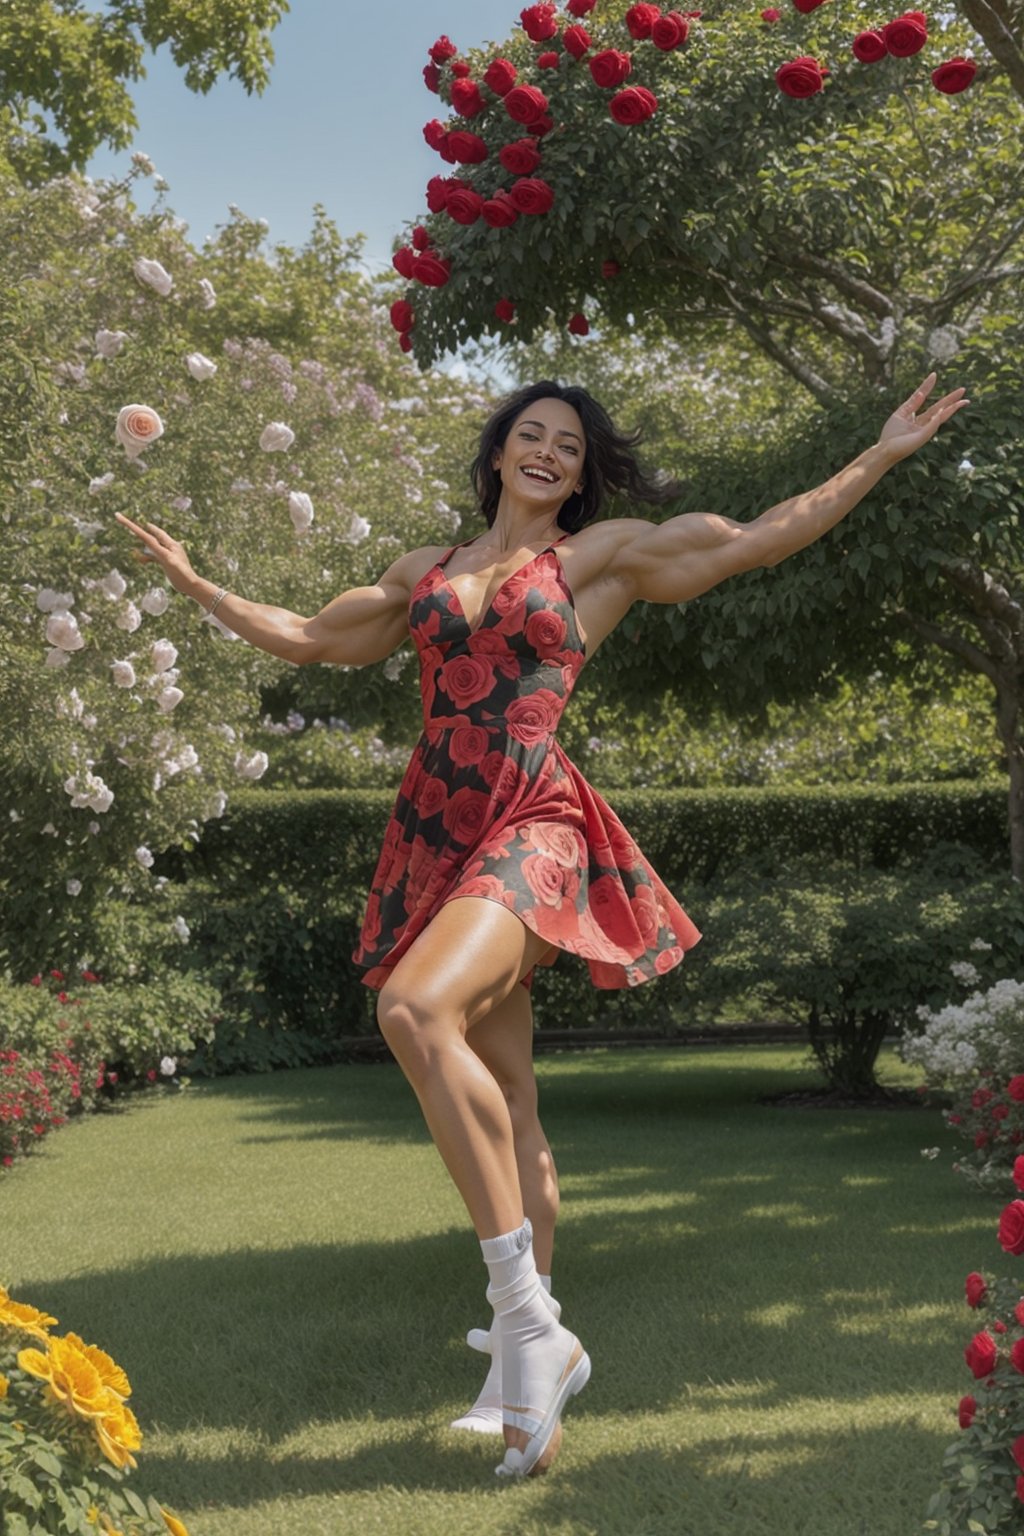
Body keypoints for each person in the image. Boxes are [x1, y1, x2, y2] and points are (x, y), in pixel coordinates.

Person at [115, 371, 966, 1479]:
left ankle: (527, 1323)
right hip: (435, 830)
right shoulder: (421, 574)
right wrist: (198, 586)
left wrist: (879, 454)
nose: (550, 452)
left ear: (581, 469)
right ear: (498, 454)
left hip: (533, 819)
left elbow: (758, 537)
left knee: (414, 1009)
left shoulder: (600, 557)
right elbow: (314, 639)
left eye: (568, 443)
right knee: (509, 1101)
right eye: (531, 434)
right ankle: (516, 1376)